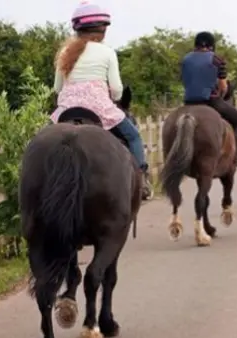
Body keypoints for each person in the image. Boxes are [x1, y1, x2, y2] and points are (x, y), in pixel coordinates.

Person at [50, 1, 153, 200]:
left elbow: (57, 88)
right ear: (103, 30)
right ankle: (142, 181)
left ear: (77, 29)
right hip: (99, 109)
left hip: (67, 110)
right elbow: (116, 90)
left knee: (40, 139)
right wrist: (112, 97)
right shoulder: (107, 52)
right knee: (133, 136)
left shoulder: (64, 53)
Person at [180, 32, 237, 170]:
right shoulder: (217, 59)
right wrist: (220, 93)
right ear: (211, 46)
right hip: (210, 101)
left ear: (196, 45)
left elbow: (184, 81)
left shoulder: (185, 59)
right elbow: (223, 86)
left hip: (188, 102)